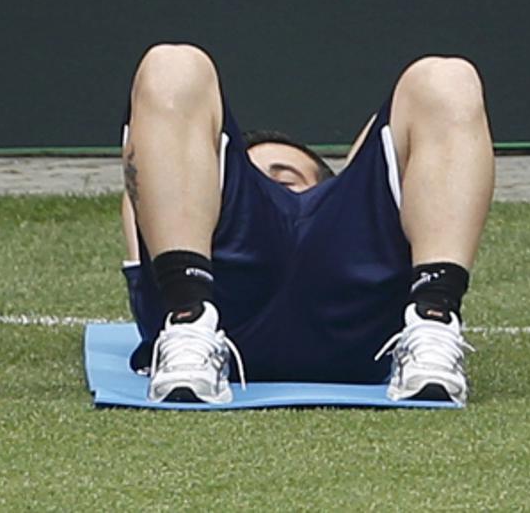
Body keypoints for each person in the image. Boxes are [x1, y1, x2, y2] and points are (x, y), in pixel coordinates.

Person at [119, 44, 492, 405]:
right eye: (259, 177)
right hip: (215, 298)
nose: (271, 185)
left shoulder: (344, 212)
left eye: (285, 177)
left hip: (357, 311)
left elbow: (400, 155)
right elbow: (149, 174)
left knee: (445, 78)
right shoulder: (209, 201)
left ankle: (434, 319)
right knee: (172, 65)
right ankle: (189, 320)